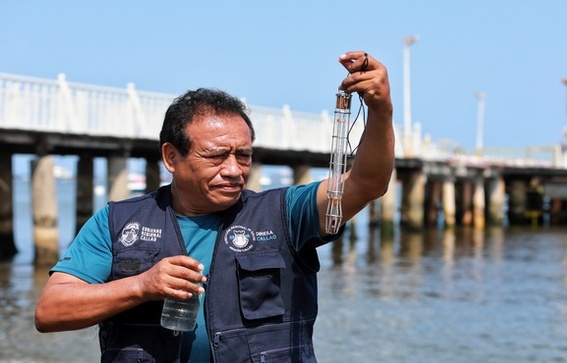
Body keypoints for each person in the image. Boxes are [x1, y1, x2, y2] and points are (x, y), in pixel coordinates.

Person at [34, 50, 394, 362]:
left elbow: (367, 182)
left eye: (244, 156)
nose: (235, 170)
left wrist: (380, 110)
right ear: (171, 157)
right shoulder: (116, 222)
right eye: (217, 156)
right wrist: (142, 286)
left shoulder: (285, 214)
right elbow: (51, 311)